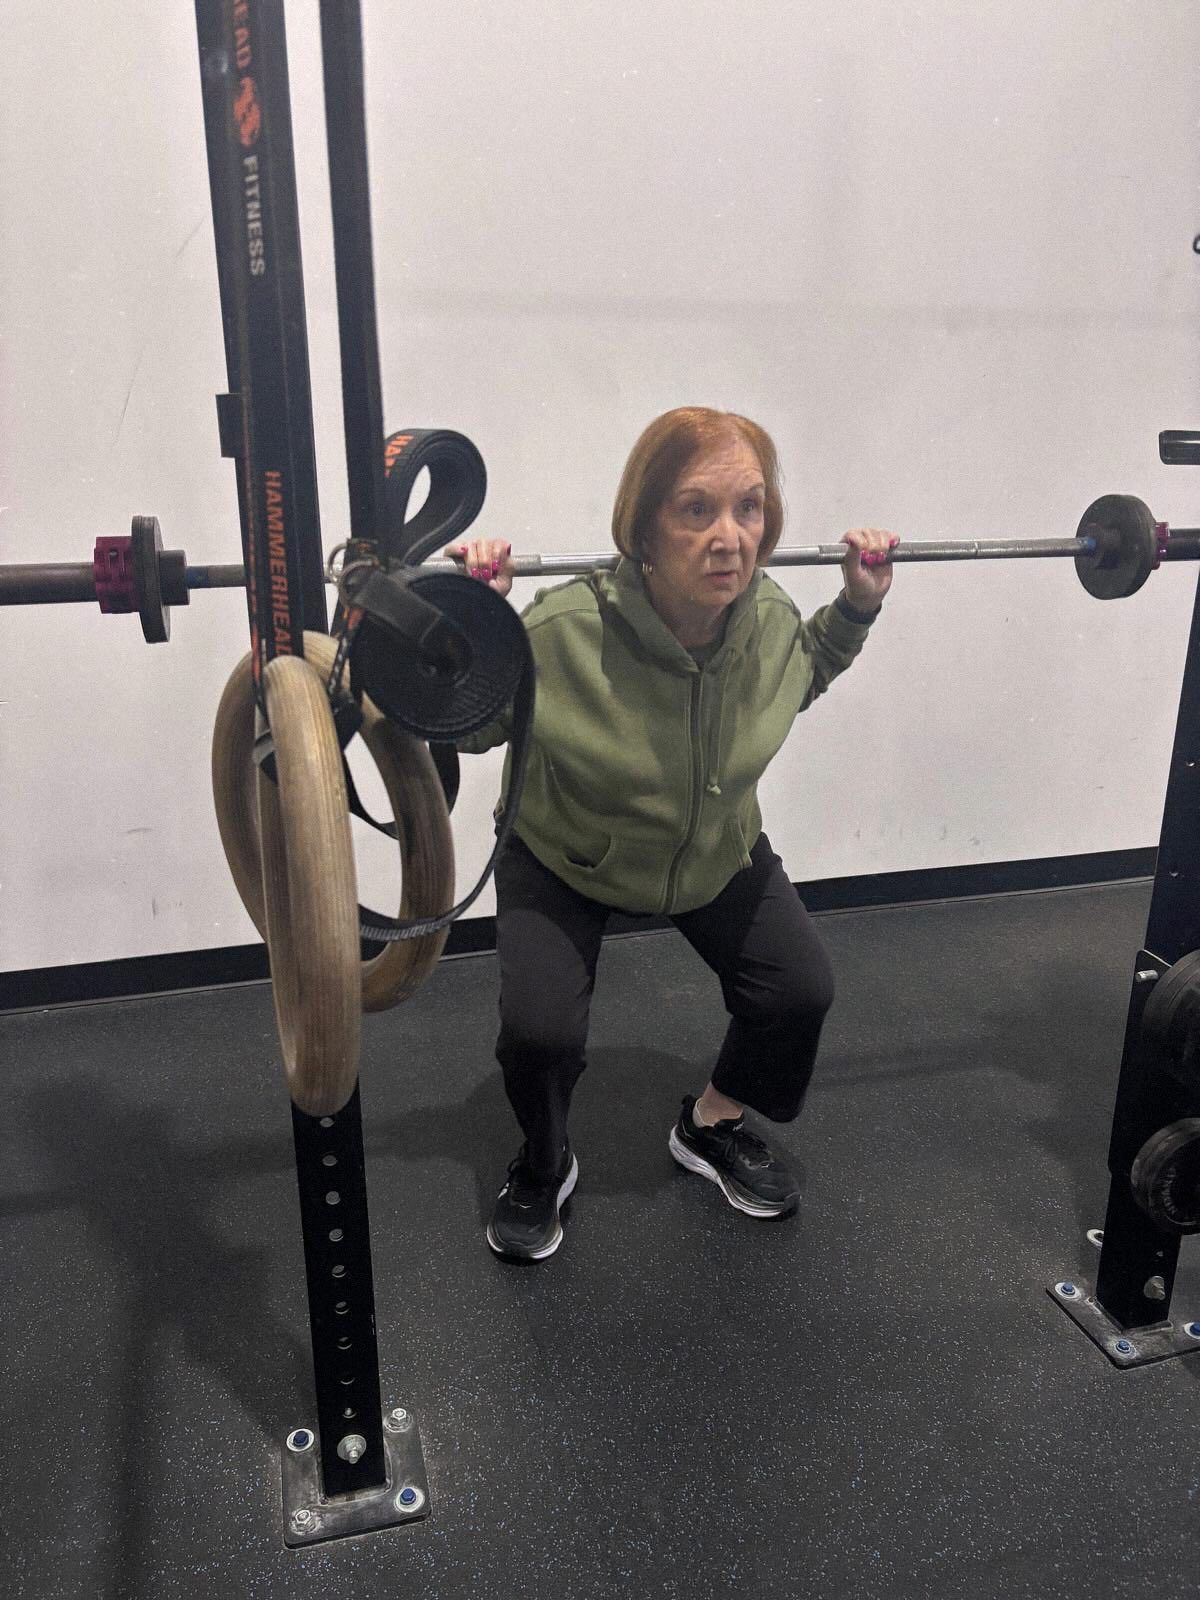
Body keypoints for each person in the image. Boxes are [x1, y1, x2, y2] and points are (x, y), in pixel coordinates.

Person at [445, 407, 896, 1261]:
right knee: (539, 1035)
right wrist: (475, 627)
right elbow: (467, 733)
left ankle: (712, 1124)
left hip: (711, 853)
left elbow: (806, 673)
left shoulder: (766, 621)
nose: (731, 539)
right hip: (568, 853)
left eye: (749, 509)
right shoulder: (560, 632)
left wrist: (857, 607)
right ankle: (544, 1162)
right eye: (697, 510)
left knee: (798, 990)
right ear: (643, 528)